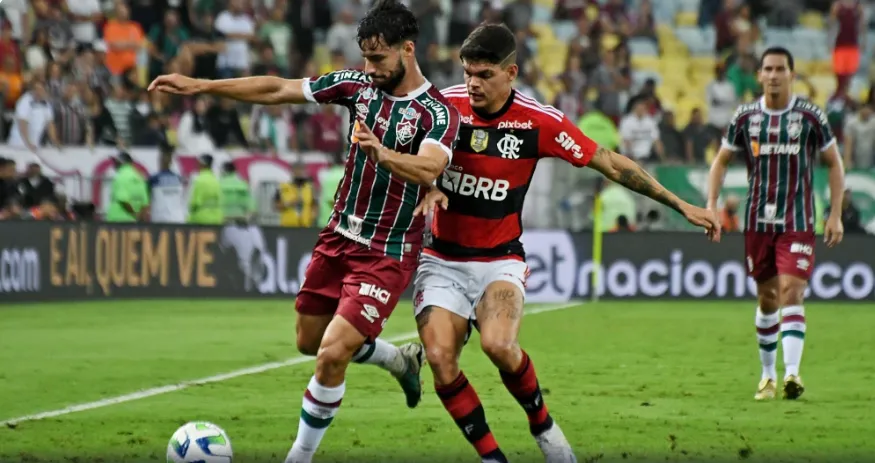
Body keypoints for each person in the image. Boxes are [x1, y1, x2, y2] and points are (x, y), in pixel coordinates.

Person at [149, 2, 461, 462]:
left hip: (388, 250)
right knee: (309, 341)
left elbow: (431, 165)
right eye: (366, 58)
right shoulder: (357, 85)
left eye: (379, 59)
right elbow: (278, 88)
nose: (370, 69)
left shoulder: (437, 112)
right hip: (339, 236)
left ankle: (298, 457)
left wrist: (381, 154)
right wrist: (202, 85)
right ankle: (397, 359)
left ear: (407, 49)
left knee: (332, 353)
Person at [411, 24, 720, 463]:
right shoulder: (443, 107)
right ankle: (492, 457)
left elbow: (609, 163)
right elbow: (407, 156)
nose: (472, 83)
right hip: (441, 258)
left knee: (499, 347)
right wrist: (426, 185)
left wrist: (680, 204)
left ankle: (543, 426)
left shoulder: (540, 121)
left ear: (511, 72)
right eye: (467, 73)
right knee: (441, 359)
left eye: (484, 74)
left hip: (499, 260)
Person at [707, 47, 846, 401]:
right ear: (759, 75)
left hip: (798, 219)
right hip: (757, 221)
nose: (773, 75)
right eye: (767, 69)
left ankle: (793, 375)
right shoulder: (745, 118)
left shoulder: (811, 116)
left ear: (791, 74)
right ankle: (767, 376)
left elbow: (834, 163)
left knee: (792, 291)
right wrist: (711, 205)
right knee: (768, 298)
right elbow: (721, 162)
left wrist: (834, 213)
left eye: (780, 69)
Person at [105, 152, 150, 222]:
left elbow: (123, 200)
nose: (114, 164)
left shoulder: (121, 176)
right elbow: (145, 203)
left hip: (117, 220)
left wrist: (134, 214)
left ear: (121, 162)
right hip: (134, 223)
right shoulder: (140, 177)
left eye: (116, 162)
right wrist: (140, 219)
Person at [148, 145, 186, 224]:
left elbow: (148, 199)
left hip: (160, 218)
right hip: (177, 218)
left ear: (160, 161)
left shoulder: (154, 179)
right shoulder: (179, 179)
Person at [187, 154, 223, 225]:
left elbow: (195, 203)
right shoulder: (217, 180)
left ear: (202, 164)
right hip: (215, 220)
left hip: (200, 220)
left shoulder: (198, 180)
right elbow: (220, 201)